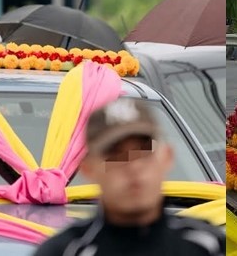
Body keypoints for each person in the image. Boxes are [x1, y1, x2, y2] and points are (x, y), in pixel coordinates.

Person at [32, 99, 224, 255]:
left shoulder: (209, 245)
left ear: (166, 157)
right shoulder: (62, 252)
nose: (133, 167)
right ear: (88, 169)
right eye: (115, 155)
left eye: (144, 151)